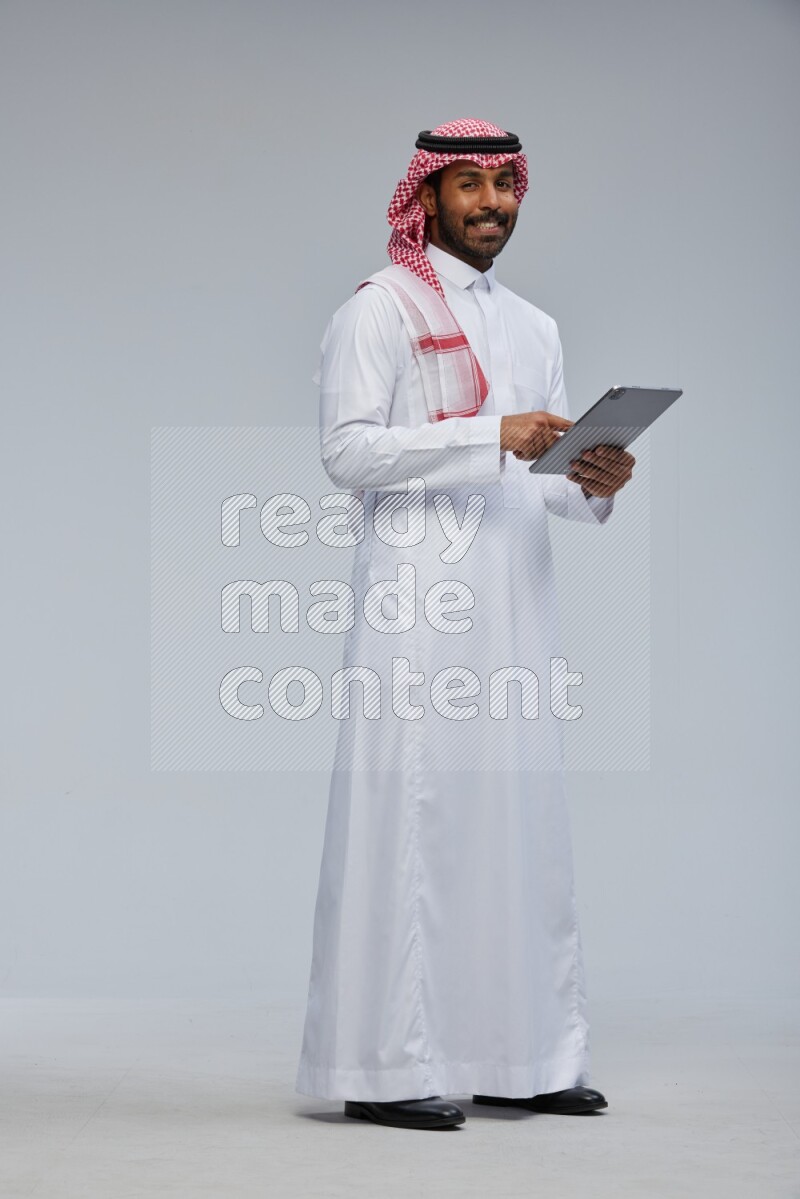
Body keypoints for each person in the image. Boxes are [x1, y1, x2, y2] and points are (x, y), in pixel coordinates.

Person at [295, 119, 635, 1131]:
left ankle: (522, 1055)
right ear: (427, 195)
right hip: (416, 610)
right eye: (469, 184)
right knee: (412, 824)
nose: (491, 203)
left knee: (516, 827)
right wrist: (491, 433)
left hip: (514, 610)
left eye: (505, 185)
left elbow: (548, 478)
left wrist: (594, 477)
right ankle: (385, 1065)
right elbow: (348, 453)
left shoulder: (533, 325)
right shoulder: (380, 308)